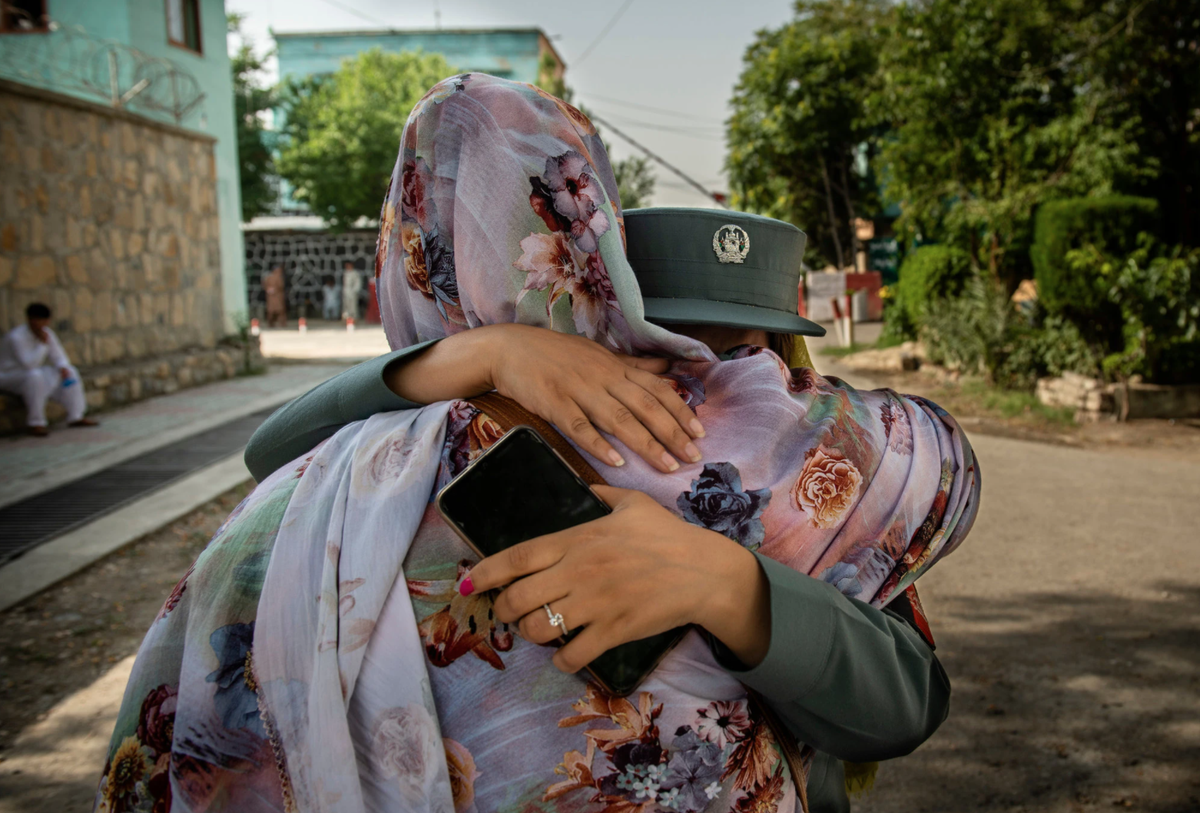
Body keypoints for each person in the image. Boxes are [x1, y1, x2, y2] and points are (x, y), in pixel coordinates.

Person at [98, 75, 978, 813]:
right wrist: (484, 357)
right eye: (681, 348)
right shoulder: (824, 469)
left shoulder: (320, 491)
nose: (708, 386)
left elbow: (902, 698)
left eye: (741, 356)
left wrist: (725, 584)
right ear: (610, 305)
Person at [0, 303, 98, 437]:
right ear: (31, 320)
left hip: (32, 374)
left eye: (45, 321)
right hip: (9, 375)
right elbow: (29, 364)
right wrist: (42, 344)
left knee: (71, 372)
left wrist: (62, 367)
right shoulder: (16, 337)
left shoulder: (47, 333)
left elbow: (58, 355)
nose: (43, 324)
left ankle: (76, 416)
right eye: (39, 320)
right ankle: (36, 423)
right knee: (35, 376)